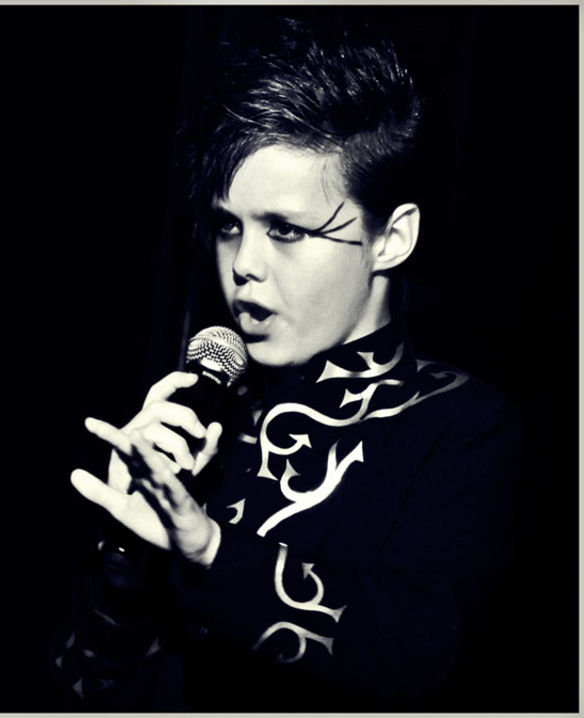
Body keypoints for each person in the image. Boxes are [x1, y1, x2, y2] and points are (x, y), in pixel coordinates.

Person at [51, 16, 522, 711]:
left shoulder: (463, 426)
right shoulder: (204, 413)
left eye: (286, 230)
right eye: (228, 226)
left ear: (391, 239)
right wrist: (124, 561)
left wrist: (211, 550)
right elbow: (82, 689)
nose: (243, 265)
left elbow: (420, 657)